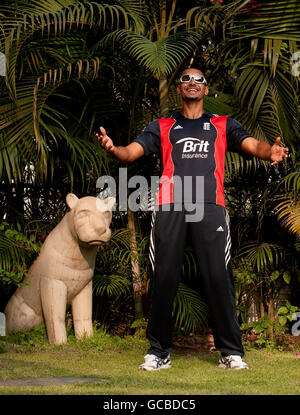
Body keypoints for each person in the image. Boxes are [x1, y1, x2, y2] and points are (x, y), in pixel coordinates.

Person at [95, 67, 289, 370]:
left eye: (199, 79)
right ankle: (159, 352)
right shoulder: (163, 125)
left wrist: (270, 152)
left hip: (210, 206)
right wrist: (113, 149)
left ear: (206, 89)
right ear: (178, 89)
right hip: (169, 206)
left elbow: (252, 145)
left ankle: (231, 353)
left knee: (218, 278)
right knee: (164, 278)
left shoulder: (223, 124)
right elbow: (130, 153)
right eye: (186, 78)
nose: (192, 82)